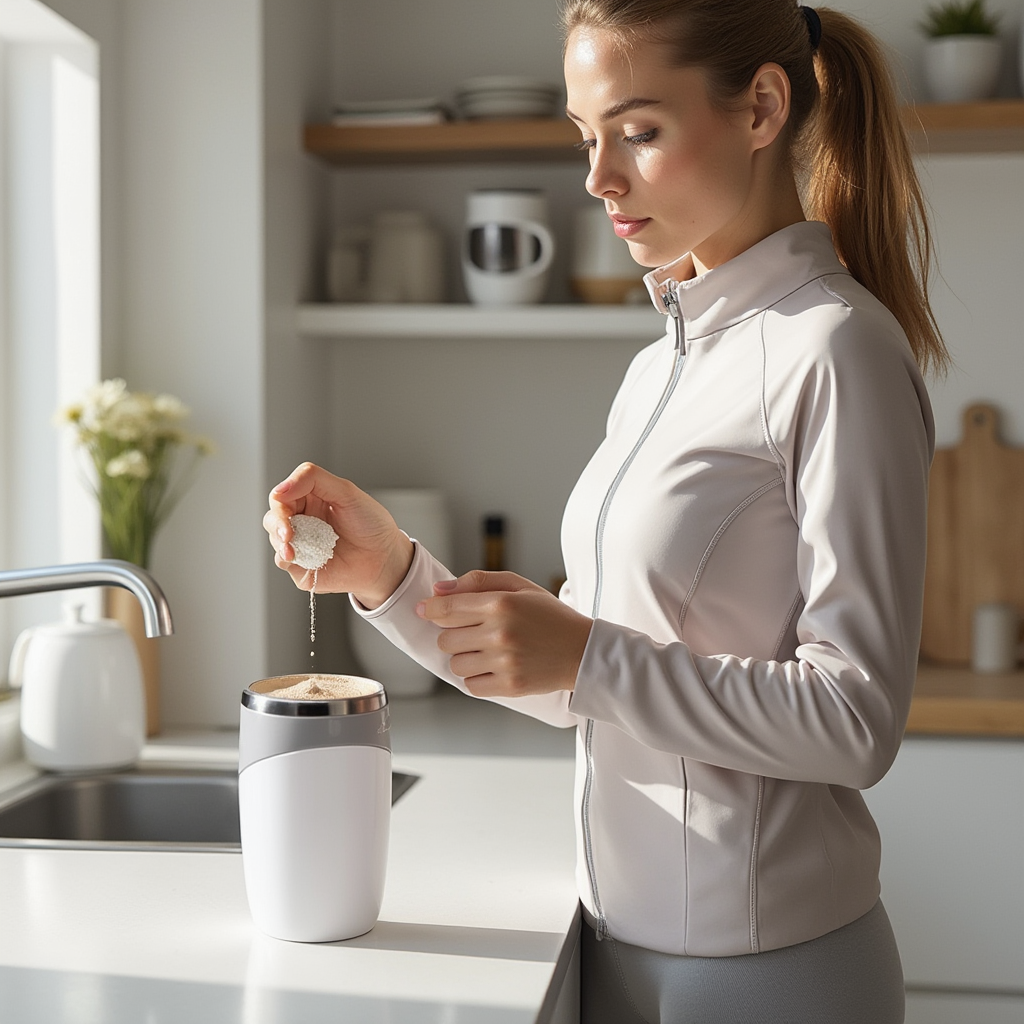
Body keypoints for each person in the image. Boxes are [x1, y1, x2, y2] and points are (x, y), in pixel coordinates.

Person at [265, 2, 948, 1020]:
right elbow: (575, 677)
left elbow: (855, 721)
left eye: (637, 130)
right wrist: (394, 576)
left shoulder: (834, 349)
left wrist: (588, 656)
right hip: (614, 956)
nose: (596, 178)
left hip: (771, 980)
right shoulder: (656, 366)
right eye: (586, 137)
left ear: (761, 106)